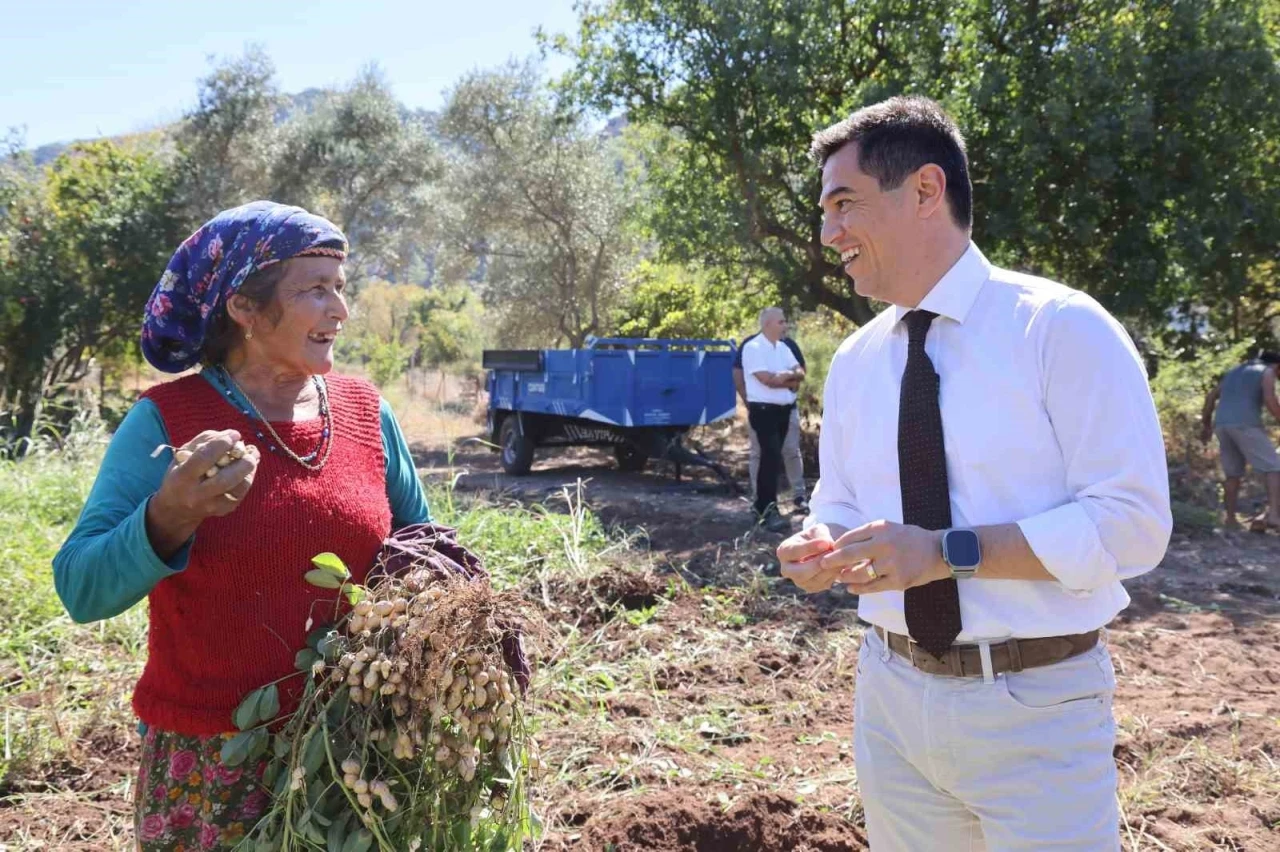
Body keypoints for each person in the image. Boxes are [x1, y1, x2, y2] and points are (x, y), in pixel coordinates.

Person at [776, 96, 1171, 850]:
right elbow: (841, 495)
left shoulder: (1061, 329)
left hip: (1036, 709)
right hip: (889, 700)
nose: (829, 235)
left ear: (926, 191)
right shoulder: (859, 361)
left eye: (844, 205)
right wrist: (821, 537)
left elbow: (1134, 525)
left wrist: (947, 551)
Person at [51, 201, 432, 850]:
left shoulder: (366, 411)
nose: (340, 310)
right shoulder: (169, 419)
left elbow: (423, 549)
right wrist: (169, 516)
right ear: (245, 310)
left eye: (340, 288)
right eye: (315, 290)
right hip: (215, 766)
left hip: (354, 756)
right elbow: (81, 588)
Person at [733, 320, 808, 513]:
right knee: (760, 454)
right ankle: (760, 500)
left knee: (791, 451)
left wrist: (781, 379)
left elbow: (799, 375)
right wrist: (750, 401)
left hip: (787, 409)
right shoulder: (751, 346)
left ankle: (799, 496)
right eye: (780, 322)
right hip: (762, 410)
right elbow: (741, 375)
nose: (784, 326)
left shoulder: (788, 345)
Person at [1200, 351, 1280, 530]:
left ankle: (1230, 520)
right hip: (1246, 424)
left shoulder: (1234, 372)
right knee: (1274, 467)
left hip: (1222, 425)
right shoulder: (1266, 371)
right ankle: (1274, 516)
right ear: (1277, 365)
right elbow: (1270, 399)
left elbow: (1211, 396)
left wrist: (1206, 426)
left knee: (1233, 473)